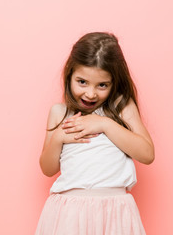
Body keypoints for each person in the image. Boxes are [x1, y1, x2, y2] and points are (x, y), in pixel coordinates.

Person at [35, 32, 154, 235]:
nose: (91, 94)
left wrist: (105, 124)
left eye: (102, 85)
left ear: (114, 82)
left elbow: (147, 154)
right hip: (69, 214)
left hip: (115, 211)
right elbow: (47, 169)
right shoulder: (59, 112)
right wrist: (58, 138)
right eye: (82, 82)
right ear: (69, 74)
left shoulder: (121, 107)